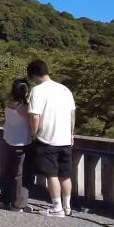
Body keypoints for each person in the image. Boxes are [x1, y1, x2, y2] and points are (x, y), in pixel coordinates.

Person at [27, 59, 77, 217]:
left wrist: (34, 133)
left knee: (52, 175)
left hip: (47, 138)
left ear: (33, 74)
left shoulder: (37, 91)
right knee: (65, 174)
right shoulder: (64, 89)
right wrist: (71, 134)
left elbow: (35, 116)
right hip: (65, 139)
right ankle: (68, 206)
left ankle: (57, 208)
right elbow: (72, 115)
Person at [0, 79, 33, 211]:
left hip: (8, 139)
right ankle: (18, 203)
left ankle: (4, 199)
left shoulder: (9, 105)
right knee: (20, 173)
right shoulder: (24, 108)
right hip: (21, 142)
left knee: (8, 171)